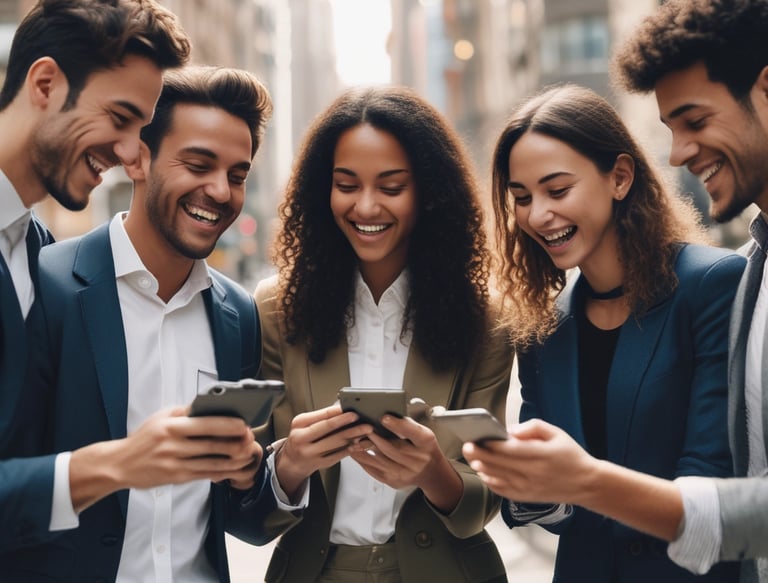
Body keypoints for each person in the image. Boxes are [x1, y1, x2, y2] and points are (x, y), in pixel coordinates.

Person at [467, 1, 768, 581]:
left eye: (557, 188)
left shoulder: (717, 282)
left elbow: (713, 473)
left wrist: (580, 480)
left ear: (620, 178)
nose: (538, 214)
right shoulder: (544, 321)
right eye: (522, 197)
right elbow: (552, 514)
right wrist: (527, 486)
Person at [4, 66, 275, 582]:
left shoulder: (239, 315)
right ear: (137, 158)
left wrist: (249, 473)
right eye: (199, 165)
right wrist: (120, 463)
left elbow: (240, 517)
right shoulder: (45, 286)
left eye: (237, 176)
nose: (221, 191)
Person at [253, 85, 513, 582]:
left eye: (391, 187)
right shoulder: (274, 309)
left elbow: (488, 496)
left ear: (429, 192)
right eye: (346, 184)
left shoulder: (486, 319)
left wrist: (433, 472)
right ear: (321, 188)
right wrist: (291, 463)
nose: (366, 207)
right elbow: (248, 500)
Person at [0, 0, 190, 545]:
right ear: (45, 84)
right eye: (120, 118)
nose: (132, 152)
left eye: (142, 129)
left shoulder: (36, 251)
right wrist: (118, 464)